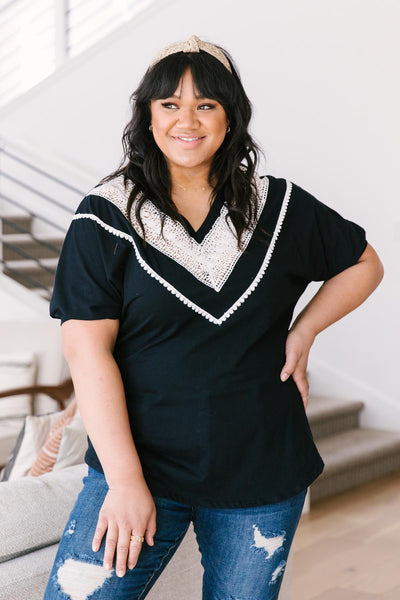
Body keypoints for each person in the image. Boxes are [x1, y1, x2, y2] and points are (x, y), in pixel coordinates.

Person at [44, 35, 383, 600]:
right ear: (148, 116)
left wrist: (305, 329)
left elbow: (363, 264)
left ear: (231, 117)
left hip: (261, 466)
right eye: (170, 104)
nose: (188, 120)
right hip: (141, 465)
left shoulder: (279, 205)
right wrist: (125, 481)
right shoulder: (105, 213)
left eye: (206, 104)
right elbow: (86, 350)